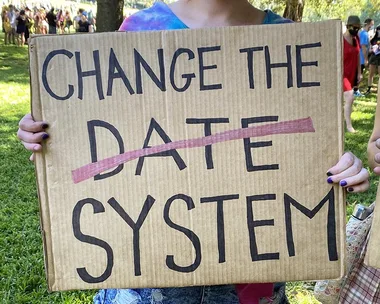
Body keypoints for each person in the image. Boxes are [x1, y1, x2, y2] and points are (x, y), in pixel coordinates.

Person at [17, 1, 370, 303]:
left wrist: (343, 169)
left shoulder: (292, 42)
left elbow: (306, 149)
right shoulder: (137, 30)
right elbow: (96, 150)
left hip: (253, 289)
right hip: (147, 288)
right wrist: (52, 139)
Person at [343, 16, 362, 133]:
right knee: (350, 97)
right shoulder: (340, 40)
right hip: (342, 74)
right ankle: (349, 125)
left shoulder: (356, 39)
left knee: (348, 99)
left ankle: (343, 119)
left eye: (358, 28)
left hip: (352, 73)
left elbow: (358, 55)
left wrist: (359, 72)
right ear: (348, 26)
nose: (356, 30)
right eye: (354, 27)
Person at [354, 18, 374, 97]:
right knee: (359, 75)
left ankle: (355, 90)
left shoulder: (362, 33)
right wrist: (366, 59)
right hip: (361, 59)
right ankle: (355, 91)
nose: (372, 27)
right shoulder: (365, 34)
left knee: (358, 75)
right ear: (368, 24)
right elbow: (363, 47)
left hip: (360, 57)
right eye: (371, 25)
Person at [366, 26, 380, 95]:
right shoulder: (373, 39)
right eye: (378, 30)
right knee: (371, 74)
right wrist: (372, 50)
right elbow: (369, 49)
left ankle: (379, 90)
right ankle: (369, 89)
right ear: (377, 31)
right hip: (373, 57)